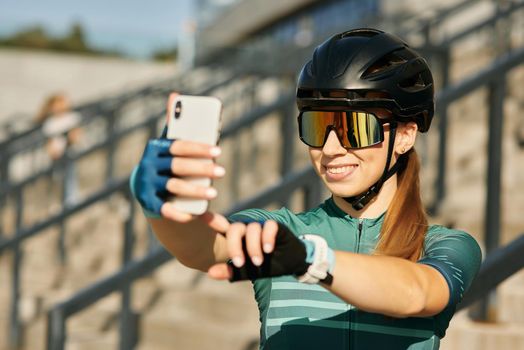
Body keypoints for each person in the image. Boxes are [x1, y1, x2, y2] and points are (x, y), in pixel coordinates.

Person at [130, 28, 481, 349]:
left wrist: (311, 258)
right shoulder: (284, 231)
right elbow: (202, 247)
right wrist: (159, 204)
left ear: (404, 135)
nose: (329, 149)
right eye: (316, 126)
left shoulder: (445, 245)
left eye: (353, 128)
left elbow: (417, 293)